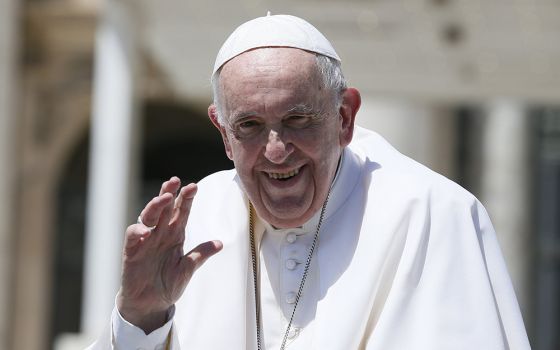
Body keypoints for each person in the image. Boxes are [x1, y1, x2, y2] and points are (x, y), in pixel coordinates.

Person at [89, 14, 530, 350]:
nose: (276, 151)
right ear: (223, 133)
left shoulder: (433, 212)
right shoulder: (198, 219)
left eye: (297, 120)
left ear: (344, 117)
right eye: (249, 126)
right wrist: (141, 317)